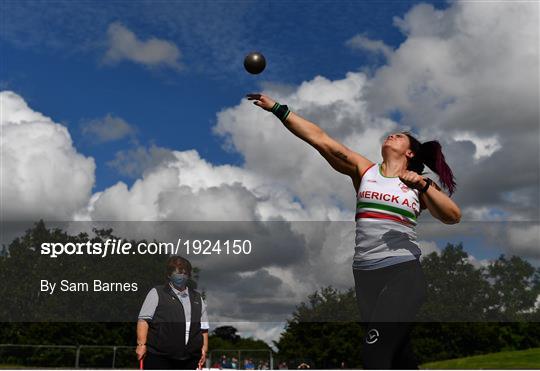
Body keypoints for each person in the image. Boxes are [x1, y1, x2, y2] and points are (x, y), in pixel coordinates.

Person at [246, 93, 461, 369]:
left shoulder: (417, 184)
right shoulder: (365, 171)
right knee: (400, 357)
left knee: (374, 353)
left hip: (403, 273)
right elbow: (320, 139)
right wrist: (278, 109)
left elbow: (453, 216)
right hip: (365, 275)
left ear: (410, 153)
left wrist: (423, 185)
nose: (391, 136)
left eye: (399, 136)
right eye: (391, 134)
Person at [136, 256, 209, 369]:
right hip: (159, 356)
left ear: (189, 275)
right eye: (177, 273)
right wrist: (141, 344)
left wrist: (204, 350)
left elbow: (203, 329)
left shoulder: (197, 298)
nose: (181, 276)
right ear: (169, 275)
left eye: (184, 273)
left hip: (190, 358)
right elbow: (143, 320)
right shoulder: (157, 292)